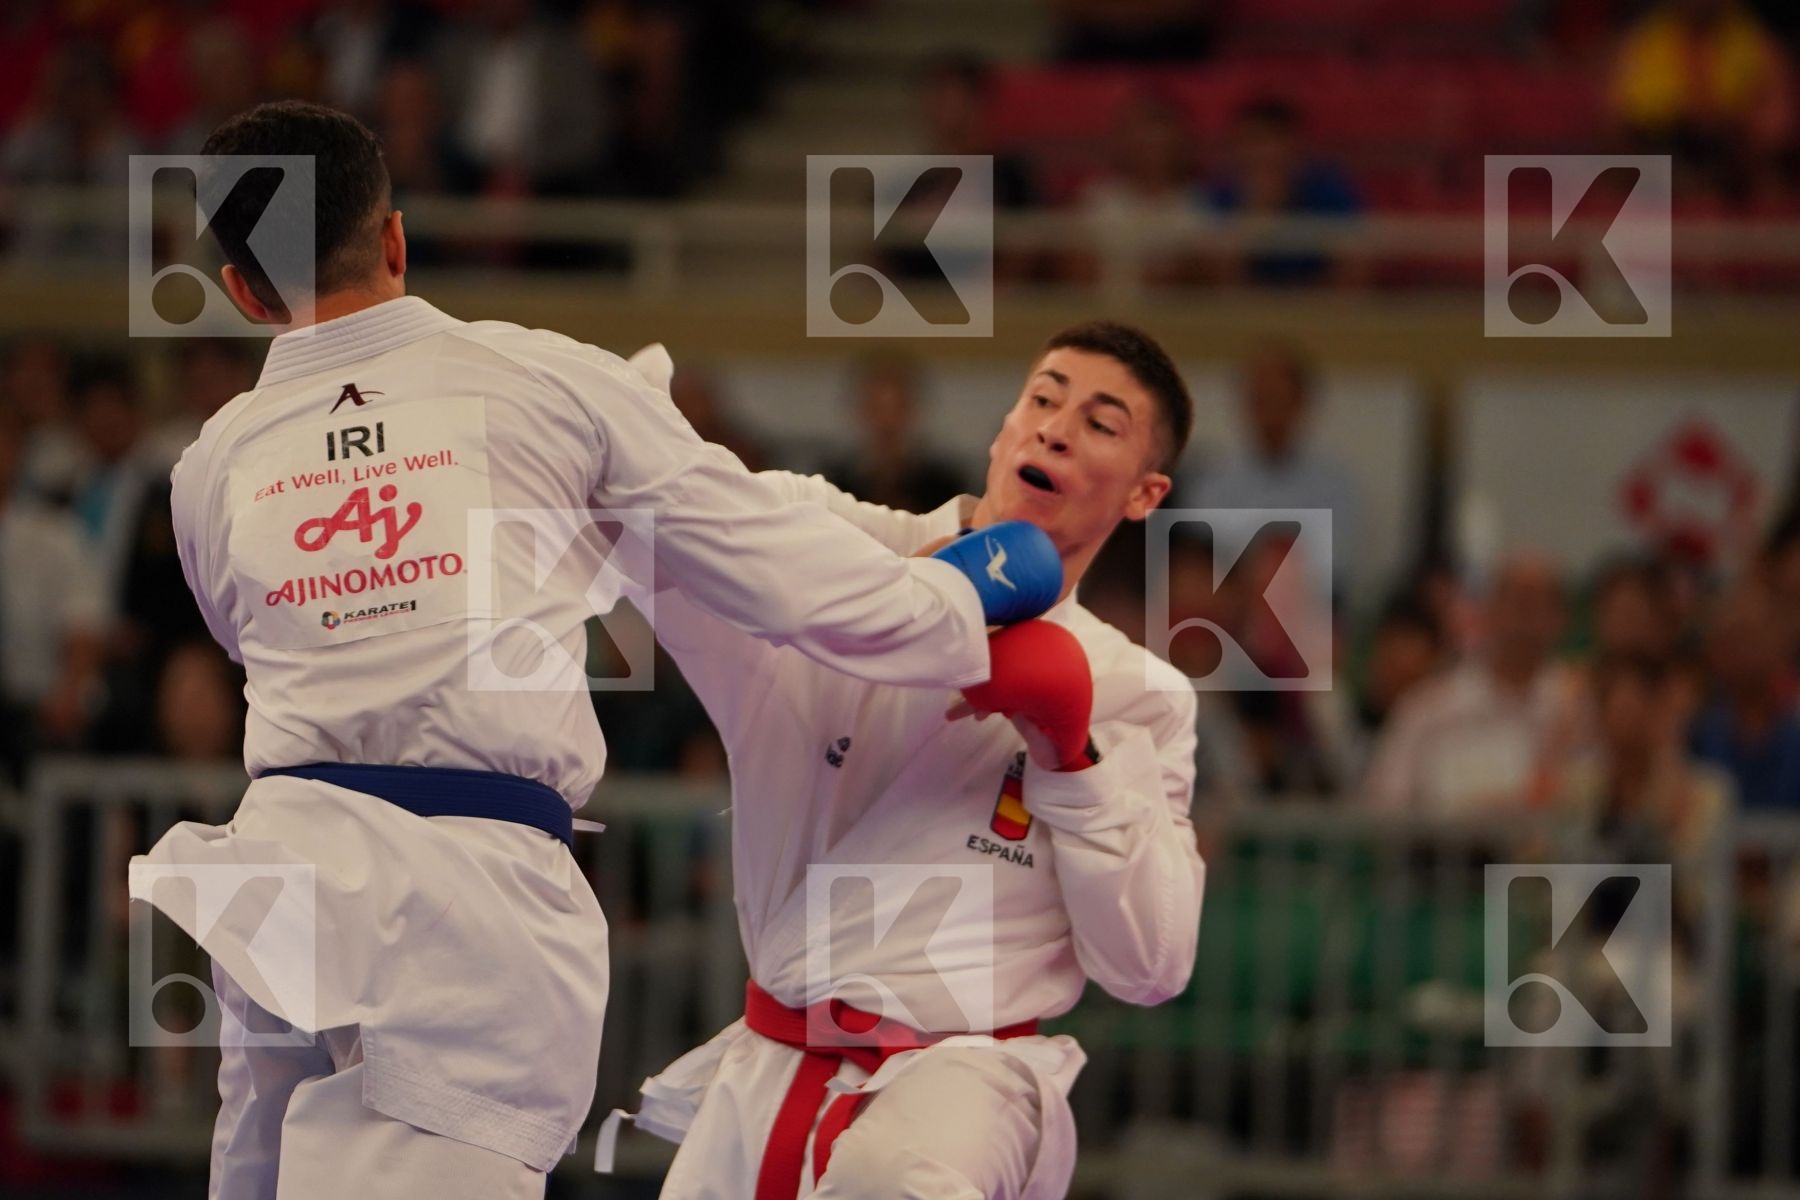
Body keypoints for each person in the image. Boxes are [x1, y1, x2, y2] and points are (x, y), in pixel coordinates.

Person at [127, 100, 1062, 1200]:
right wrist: (976, 583)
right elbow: (788, 572)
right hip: (460, 911)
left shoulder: (211, 465)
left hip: (283, 870)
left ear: (241, 289)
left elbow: (257, 636)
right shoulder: (548, 380)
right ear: (394, 240)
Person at [611, 321, 1206, 1200]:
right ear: (1005, 428)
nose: (1055, 427)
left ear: (1143, 493)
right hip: (768, 1075)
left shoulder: (1136, 692)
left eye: (1101, 423)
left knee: (892, 1183)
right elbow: (665, 526)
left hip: (966, 1084)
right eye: (1042, 399)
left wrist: (1074, 759)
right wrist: (929, 602)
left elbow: (1151, 965)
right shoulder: (836, 543)